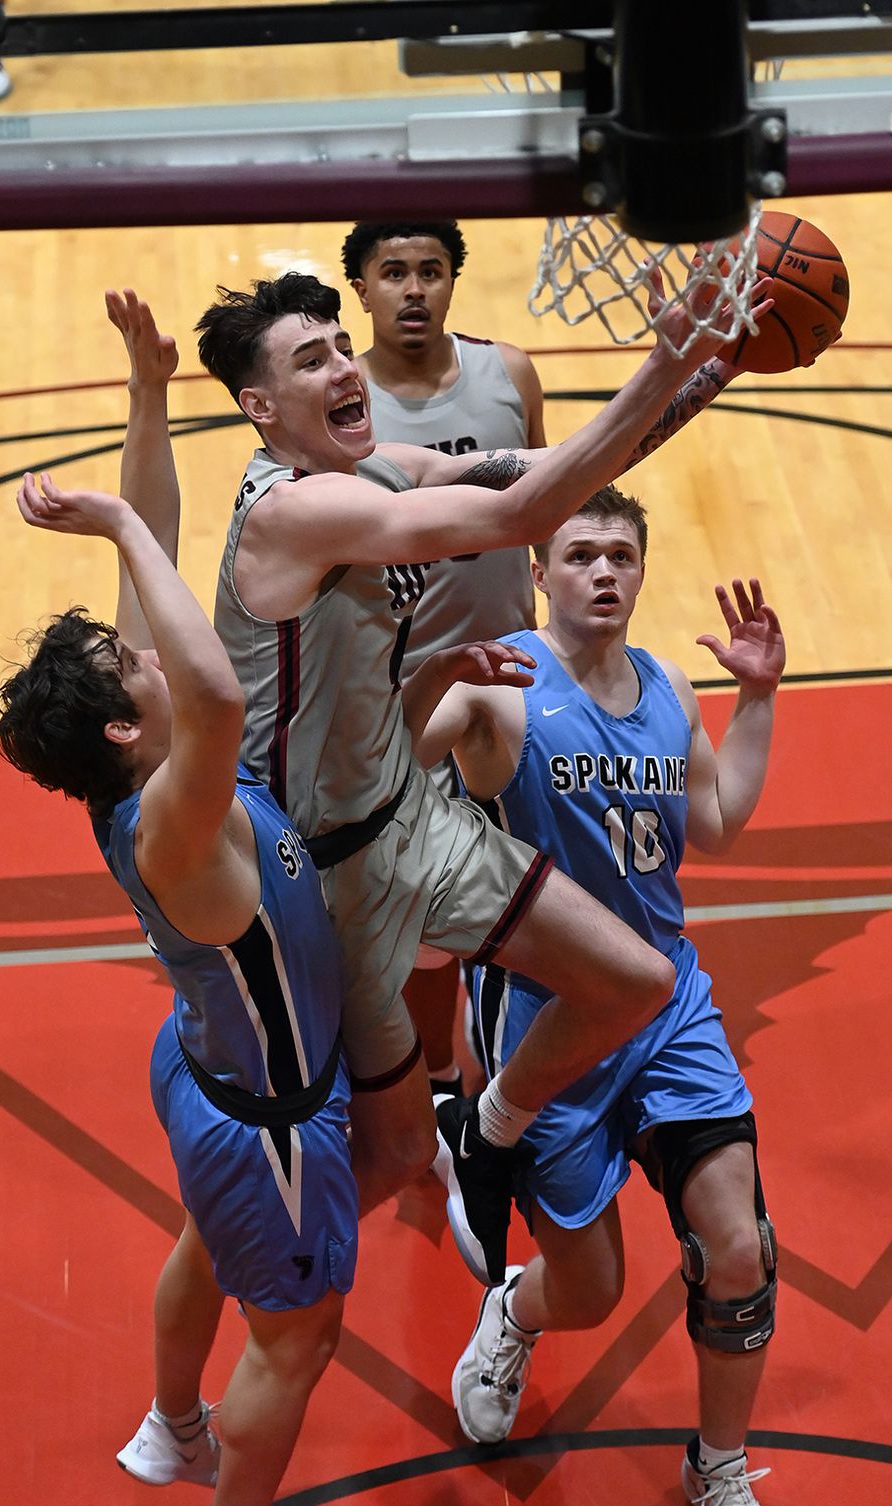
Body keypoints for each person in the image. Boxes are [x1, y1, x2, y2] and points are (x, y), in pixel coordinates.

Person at [192, 268, 770, 1282]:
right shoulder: (292, 513)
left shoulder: (381, 469)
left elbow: (547, 467)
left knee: (634, 977)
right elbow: (525, 515)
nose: (343, 367)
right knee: (392, 1152)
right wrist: (665, 357)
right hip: (321, 872)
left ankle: (493, 1120)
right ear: (261, 408)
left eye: (339, 347)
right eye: (310, 359)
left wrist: (712, 368)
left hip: (409, 815)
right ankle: (232, 1274)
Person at [0, 292, 357, 1506]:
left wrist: (147, 395)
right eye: (121, 660)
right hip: (274, 1118)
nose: (138, 648)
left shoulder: (143, 774)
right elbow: (208, 681)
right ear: (120, 726)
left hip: (202, 1070)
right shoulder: (172, 807)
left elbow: (162, 586)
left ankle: (171, 1423)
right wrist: (107, 521)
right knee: (297, 1339)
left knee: (205, 1241)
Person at [406, 483, 785, 1506]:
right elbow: (383, 759)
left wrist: (756, 697)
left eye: (621, 554)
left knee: (741, 1251)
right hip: (548, 1021)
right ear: (541, 572)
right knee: (592, 1291)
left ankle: (719, 1465)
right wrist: (429, 674)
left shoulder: (669, 685)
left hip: (671, 1010)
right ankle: (516, 1314)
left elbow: (713, 822)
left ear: (641, 569)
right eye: (580, 554)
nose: (604, 573)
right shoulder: (506, 689)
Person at [342, 218, 547, 1100]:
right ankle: (432, 1076)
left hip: (515, 677)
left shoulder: (510, 372)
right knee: (418, 916)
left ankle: (519, 1066)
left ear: (454, 281)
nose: (414, 289)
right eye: (393, 273)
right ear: (361, 288)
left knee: (530, 885)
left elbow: (549, 483)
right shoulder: (345, 407)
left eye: (431, 270)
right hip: (405, 699)